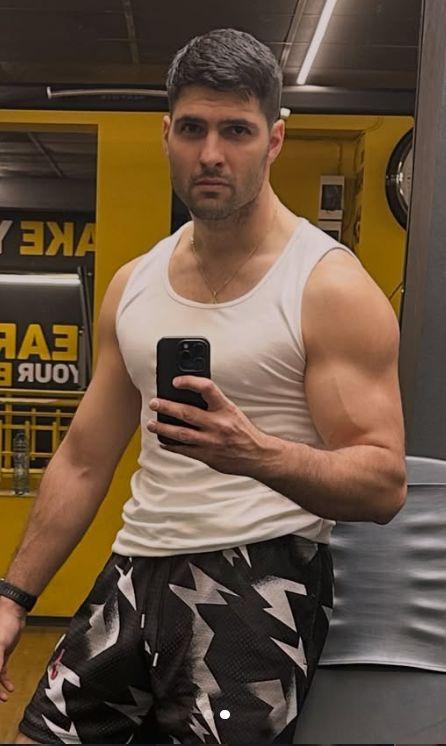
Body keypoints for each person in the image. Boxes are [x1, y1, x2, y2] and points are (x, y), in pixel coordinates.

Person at [0, 28, 407, 745]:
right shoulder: (133, 284)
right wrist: (12, 598)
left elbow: (383, 483)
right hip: (138, 564)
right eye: (192, 129)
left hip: (261, 575)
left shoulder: (329, 287)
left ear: (274, 140)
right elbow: (84, 459)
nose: (211, 153)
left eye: (236, 131)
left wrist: (255, 453)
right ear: (166, 135)